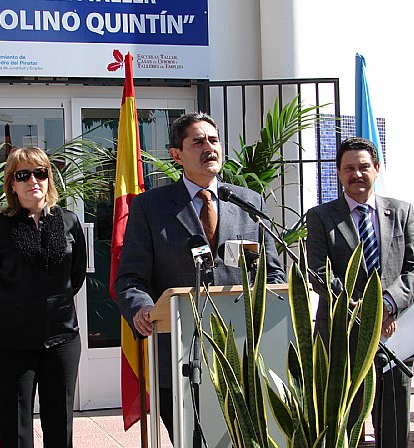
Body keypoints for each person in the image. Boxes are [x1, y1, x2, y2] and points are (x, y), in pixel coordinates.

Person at [114, 112, 286, 440]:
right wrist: (142, 308)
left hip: (242, 352)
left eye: (214, 140)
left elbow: (272, 271)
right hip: (180, 355)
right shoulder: (151, 207)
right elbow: (130, 278)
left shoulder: (248, 202)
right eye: (198, 141)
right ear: (176, 155)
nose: (209, 147)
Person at [306, 137, 414, 447]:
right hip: (342, 338)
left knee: (394, 426)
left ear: (377, 168)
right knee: (344, 427)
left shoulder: (401, 212)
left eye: (363, 167)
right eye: (349, 168)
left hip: (394, 336)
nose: (356, 174)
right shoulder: (320, 217)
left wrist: (385, 304)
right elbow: (319, 273)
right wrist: (362, 309)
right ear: (338, 173)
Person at [0, 147, 87, 448]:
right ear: (12, 184)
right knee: (15, 429)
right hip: (12, 343)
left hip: (62, 338)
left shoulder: (69, 221)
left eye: (40, 173)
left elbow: (75, 277)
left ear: (49, 178)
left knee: (60, 425)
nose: (33, 181)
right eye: (23, 175)